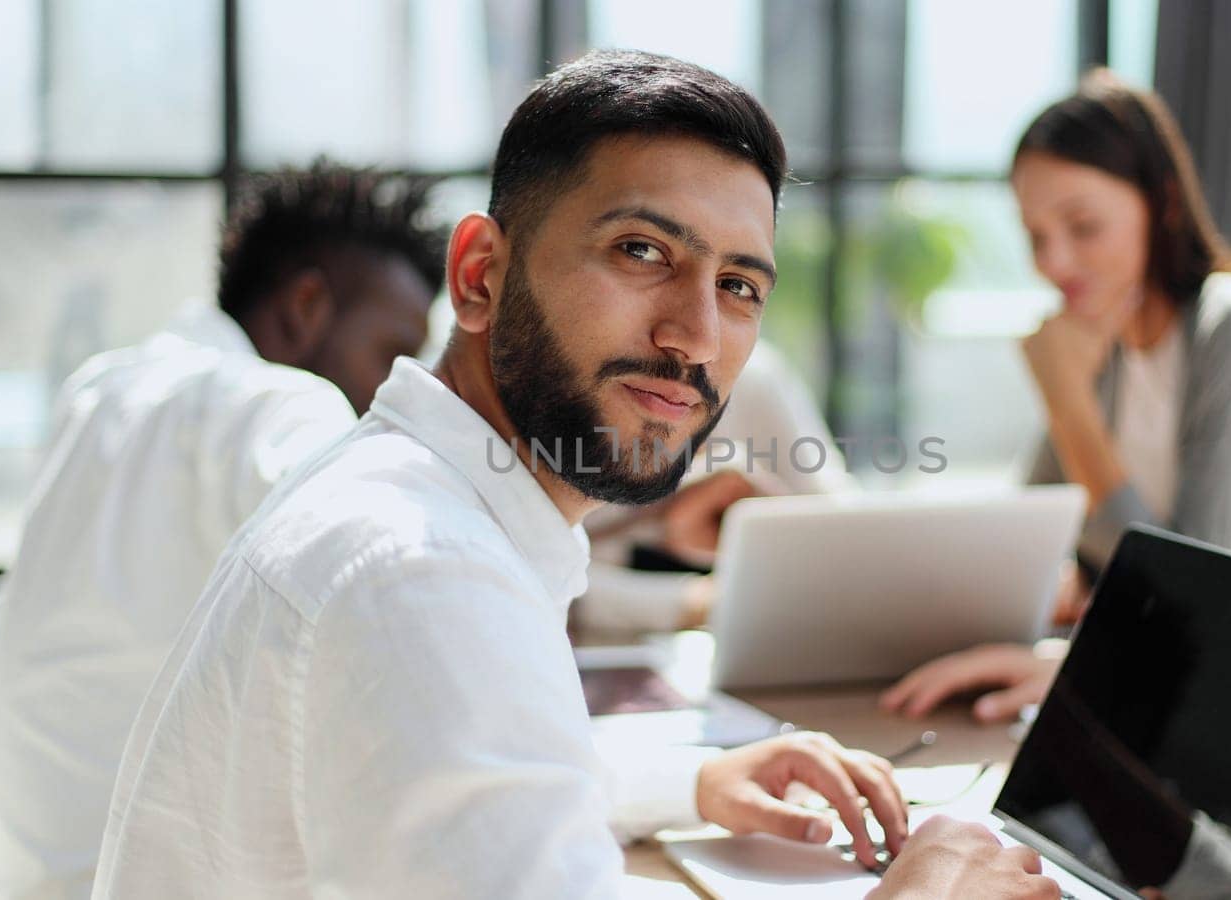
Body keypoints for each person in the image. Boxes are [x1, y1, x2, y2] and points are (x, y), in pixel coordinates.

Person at [88, 51, 1059, 899]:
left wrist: (689, 785)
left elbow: (447, 771)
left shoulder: (414, 502)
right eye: (641, 251)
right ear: (478, 277)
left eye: (738, 286)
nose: (695, 336)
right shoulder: (421, 573)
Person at [0, 161, 445, 900]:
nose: (395, 388)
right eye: (391, 352)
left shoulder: (98, 390)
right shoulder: (286, 405)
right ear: (306, 306)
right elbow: (402, 574)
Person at [881, 71, 1231, 724]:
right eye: (1036, 236)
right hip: (1177, 685)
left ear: (1161, 203)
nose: (1054, 263)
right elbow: (1031, 542)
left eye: (1083, 227)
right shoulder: (1102, 343)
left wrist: (1066, 404)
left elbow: (1195, 590)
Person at [576, 339, 854, 633]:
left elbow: (847, 546)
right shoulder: (574, 387)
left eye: (736, 289)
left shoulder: (755, 381)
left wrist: (776, 528)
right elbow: (549, 578)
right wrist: (703, 603)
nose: (701, 337)